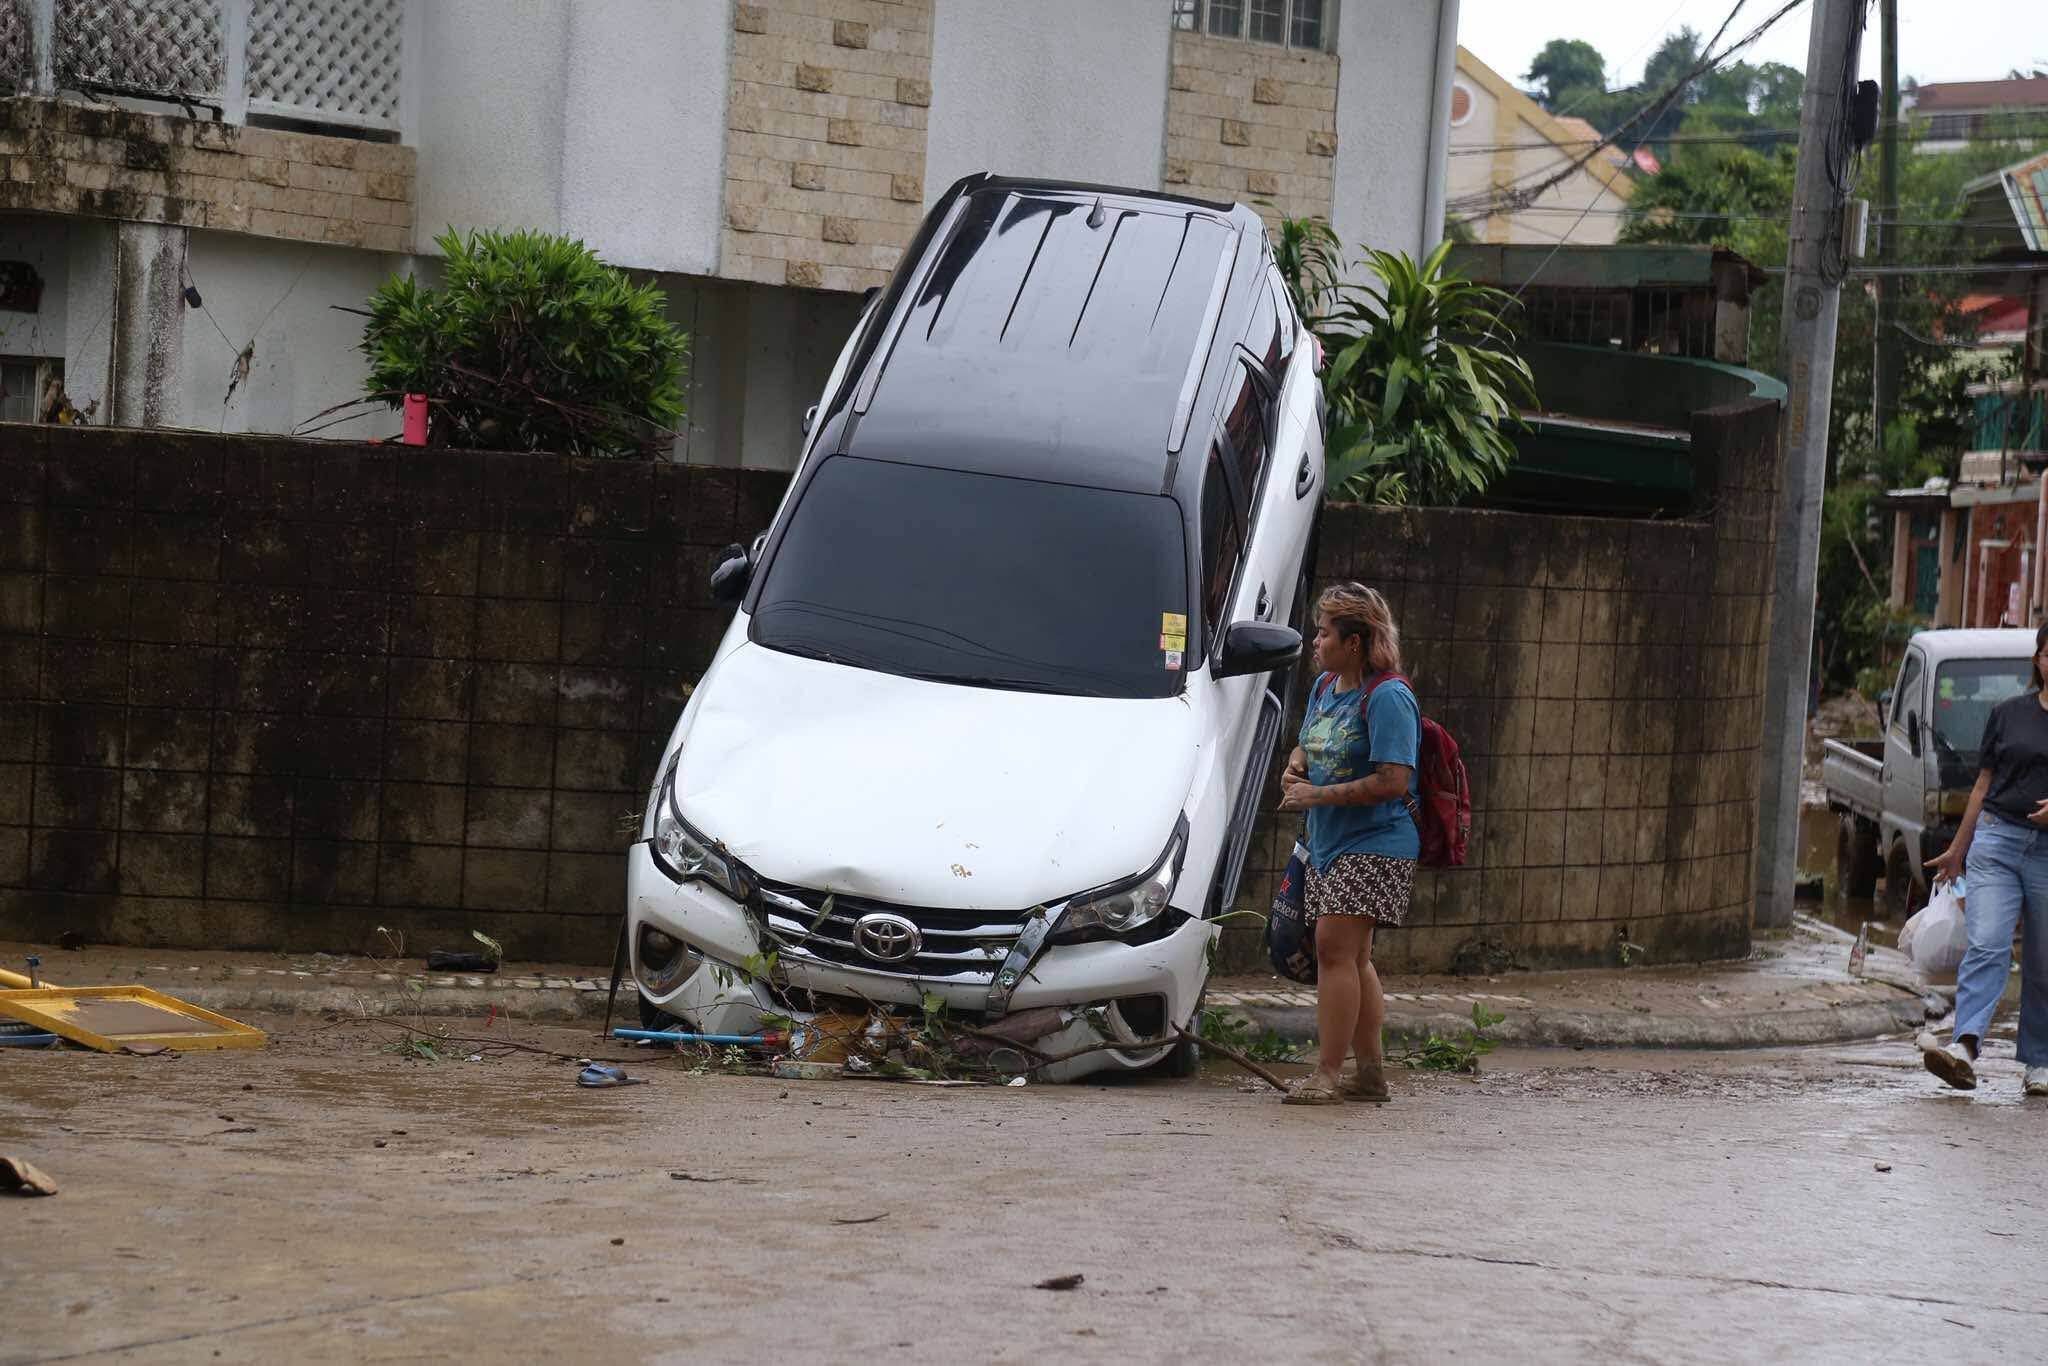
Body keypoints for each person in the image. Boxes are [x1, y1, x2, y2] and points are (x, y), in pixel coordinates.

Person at [1277, 583, 1419, 1106]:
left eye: (1324, 632)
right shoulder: (1326, 687)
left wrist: (1317, 794)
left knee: (1334, 950)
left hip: (1377, 843)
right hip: (1328, 842)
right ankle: (1371, 1073)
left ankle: (1328, 1074)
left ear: (1354, 642)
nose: (1316, 641)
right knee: (1354, 958)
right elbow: (1309, 741)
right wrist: (1296, 765)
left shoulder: (1389, 698)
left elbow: (1393, 780)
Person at [1922, 622, 2048, 1097]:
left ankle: (2040, 1061)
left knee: (2044, 960)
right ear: (2038, 659)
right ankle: (1965, 1046)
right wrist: (1958, 849)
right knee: (1989, 943)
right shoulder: (2007, 714)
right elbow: (1982, 784)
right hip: (1996, 841)